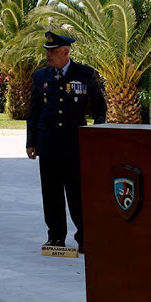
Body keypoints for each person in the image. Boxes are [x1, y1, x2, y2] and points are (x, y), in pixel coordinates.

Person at [26, 31, 107, 254]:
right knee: (51, 194)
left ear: (66, 52)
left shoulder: (84, 74)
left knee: (77, 194)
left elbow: (100, 108)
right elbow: (34, 111)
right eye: (47, 51)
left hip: (74, 145)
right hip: (48, 144)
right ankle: (55, 237)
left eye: (52, 52)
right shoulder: (40, 76)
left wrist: (95, 135)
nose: (48, 56)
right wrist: (31, 141)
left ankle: (84, 237)